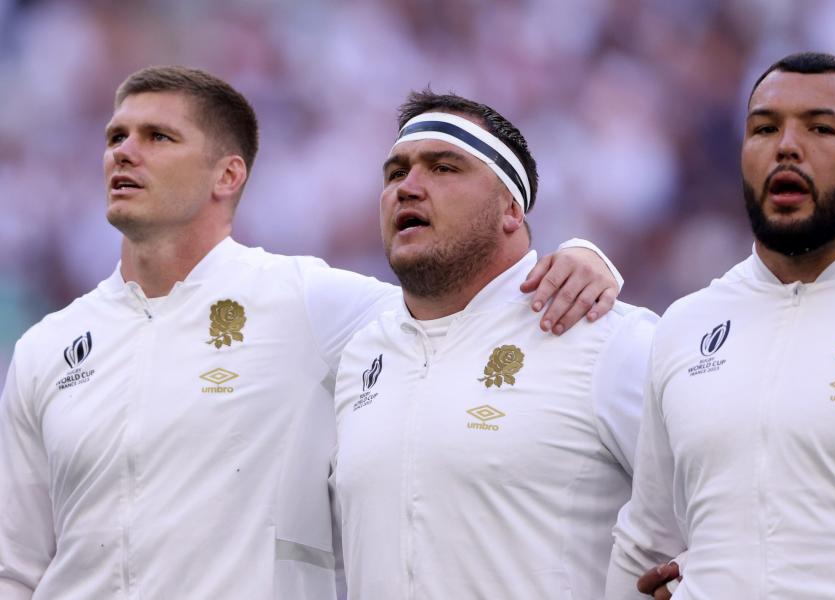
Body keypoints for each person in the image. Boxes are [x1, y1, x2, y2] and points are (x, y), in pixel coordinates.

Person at [0, 66, 624, 600]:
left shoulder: (307, 303)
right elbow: (15, 565)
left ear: (228, 175)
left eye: (157, 136)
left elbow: (459, 308)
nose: (124, 152)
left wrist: (583, 255)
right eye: (116, 136)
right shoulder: (47, 348)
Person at [605, 51, 835, 600]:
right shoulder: (688, 323)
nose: (786, 145)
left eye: (821, 128)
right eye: (764, 128)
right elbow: (647, 542)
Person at [331, 90, 658, 599]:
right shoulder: (361, 353)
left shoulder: (602, 336)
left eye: (443, 168)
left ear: (510, 207)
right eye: (395, 173)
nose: (408, 187)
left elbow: (727, 506)